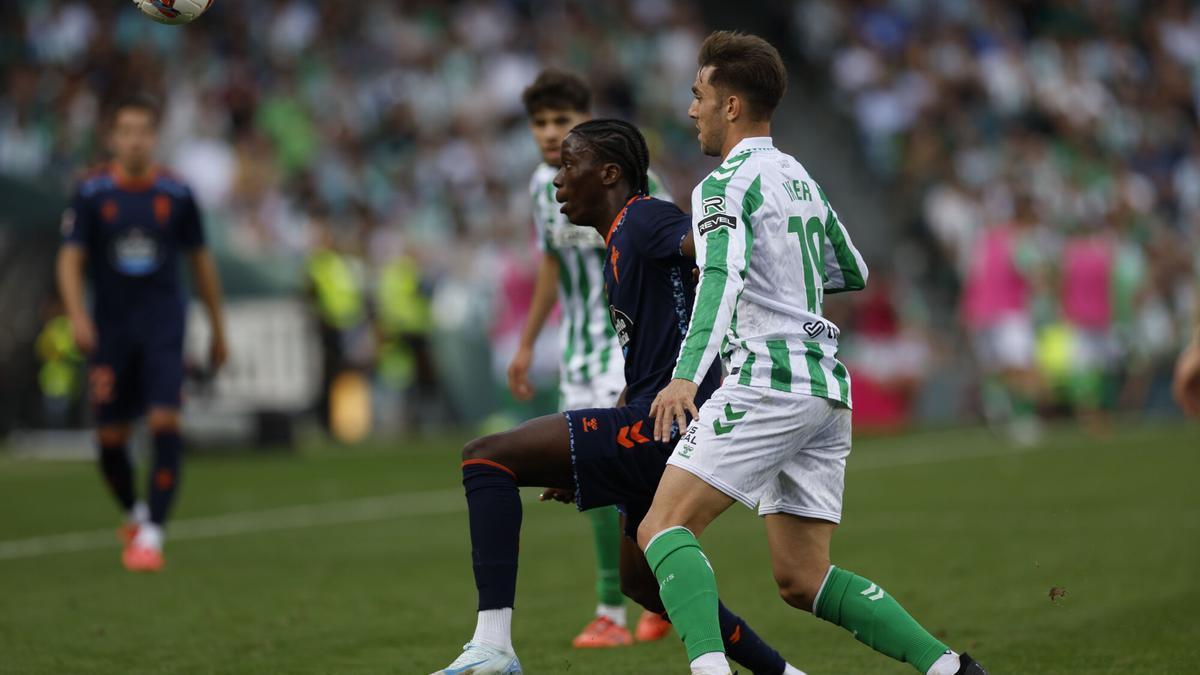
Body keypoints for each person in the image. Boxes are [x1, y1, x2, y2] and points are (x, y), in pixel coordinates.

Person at [637, 32, 988, 675]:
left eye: (699, 96)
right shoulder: (798, 176)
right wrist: (786, 278)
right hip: (825, 386)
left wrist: (685, 377)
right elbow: (850, 269)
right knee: (802, 578)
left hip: (767, 377)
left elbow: (719, 276)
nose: (692, 110)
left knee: (661, 526)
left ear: (732, 105)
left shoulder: (722, 185)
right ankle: (950, 670)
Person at [433, 120, 805, 675]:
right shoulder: (618, 243)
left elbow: (704, 240)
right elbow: (650, 357)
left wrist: (739, 231)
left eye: (568, 166)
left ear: (607, 173)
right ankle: (782, 673)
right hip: (651, 417)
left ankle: (494, 647)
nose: (557, 182)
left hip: (668, 426)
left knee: (486, 456)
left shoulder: (643, 218)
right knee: (640, 582)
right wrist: (591, 459)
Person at [506, 69, 672, 646]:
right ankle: (649, 598)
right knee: (596, 476)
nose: (550, 133)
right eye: (540, 123)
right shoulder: (540, 189)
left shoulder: (635, 183)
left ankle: (617, 607)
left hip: (625, 350)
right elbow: (550, 263)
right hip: (577, 351)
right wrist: (528, 342)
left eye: (561, 121)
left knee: (609, 468)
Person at [56, 93, 227, 573]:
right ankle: (136, 513)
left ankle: (152, 535)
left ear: (155, 137)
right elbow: (70, 260)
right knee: (110, 439)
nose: (134, 141)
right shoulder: (91, 193)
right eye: (126, 131)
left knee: (164, 423)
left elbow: (202, 263)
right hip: (110, 329)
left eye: (143, 132)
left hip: (162, 326)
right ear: (112, 137)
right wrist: (77, 316)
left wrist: (217, 327)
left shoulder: (176, 194)